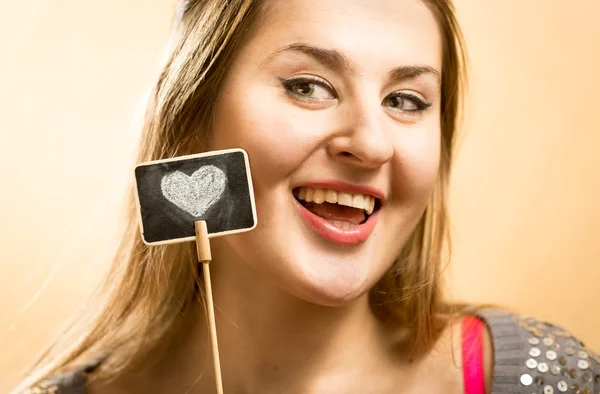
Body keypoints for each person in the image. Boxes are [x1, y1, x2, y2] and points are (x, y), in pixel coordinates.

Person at [13, 0, 599, 393]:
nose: (371, 144)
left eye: (405, 100)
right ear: (194, 117)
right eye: (308, 87)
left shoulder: (549, 380)